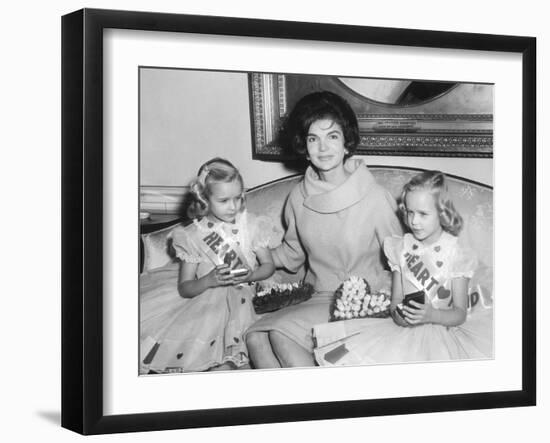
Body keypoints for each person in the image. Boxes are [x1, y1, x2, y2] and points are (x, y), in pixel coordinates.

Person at [245, 91, 403, 368]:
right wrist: (249, 253)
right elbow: (292, 254)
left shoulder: (375, 197)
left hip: (364, 300)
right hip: (318, 295)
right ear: (304, 148)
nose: (323, 147)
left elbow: (402, 258)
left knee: (280, 335)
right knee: (256, 337)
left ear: (346, 143)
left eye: (332, 136)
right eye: (313, 138)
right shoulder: (298, 197)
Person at [313, 170, 494, 366]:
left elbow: (459, 313)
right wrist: (400, 317)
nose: (414, 221)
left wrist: (433, 315)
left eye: (423, 214)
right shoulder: (399, 248)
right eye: (410, 212)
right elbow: (396, 301)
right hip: (401, 330)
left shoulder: (457, 253)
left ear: (442, 212)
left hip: (443, 331)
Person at [141, 158, 276, 373]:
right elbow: (185, 288)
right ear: (204, 199)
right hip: (206, 302)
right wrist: (208, 280)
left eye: (238, 198)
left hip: (248, 298)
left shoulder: (252, 225)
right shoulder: (193, 236)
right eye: (224, 200)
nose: (233, 207)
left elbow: (269, 266)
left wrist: (252, 275)